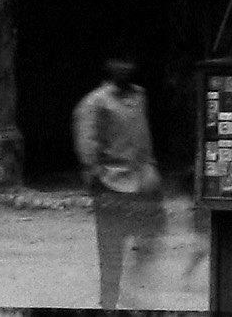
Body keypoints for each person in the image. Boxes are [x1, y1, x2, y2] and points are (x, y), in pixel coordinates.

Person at [72, 55, 162, 313]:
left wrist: (150, 168)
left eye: (128, 63)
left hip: (141, 182)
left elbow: (143, 137)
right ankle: (109, 302)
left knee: (149, 238)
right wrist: (96, 175)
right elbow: (87, 143)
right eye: (118, 63)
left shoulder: (139, 96)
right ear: (108, 67)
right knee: (111, 248)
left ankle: (133, 294)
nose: (125, 68)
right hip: (111, 182)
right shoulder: (95, 102)